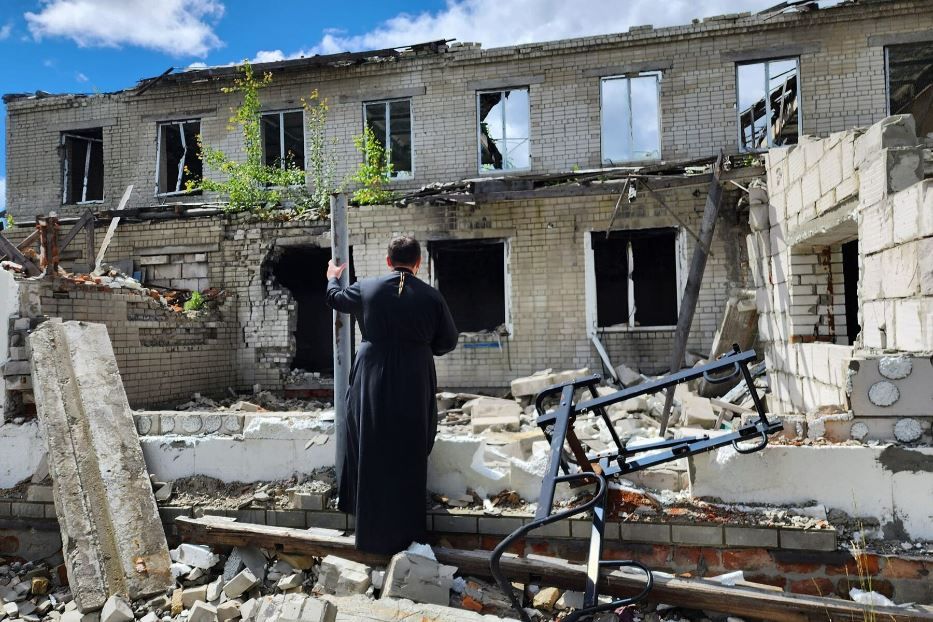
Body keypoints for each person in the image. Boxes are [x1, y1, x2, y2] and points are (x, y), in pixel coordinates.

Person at [325, 235, 459, 553]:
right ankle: (408, 536)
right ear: (418, 263)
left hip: (370, 373)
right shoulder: (431, 297)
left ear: (388, 261)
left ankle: (367, 529)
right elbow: (448, 341)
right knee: (410, 445)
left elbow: (336, 299)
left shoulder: (367, 288)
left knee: (369, 440)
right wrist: (421, 347)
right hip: (414, 375)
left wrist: (332, 277)